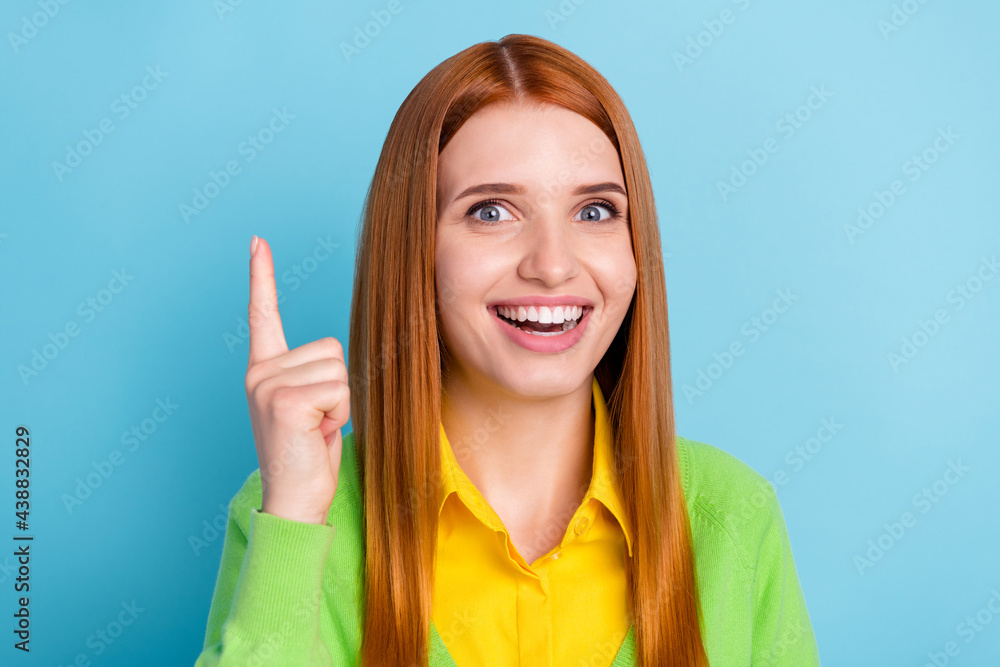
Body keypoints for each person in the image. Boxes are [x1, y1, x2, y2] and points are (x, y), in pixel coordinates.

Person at [193, 34, 820, 667]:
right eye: (492, 212)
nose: (551, 266)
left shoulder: (733, 515)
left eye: (596, 211)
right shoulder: (293, 515)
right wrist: (296, 520)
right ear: (415, 250)